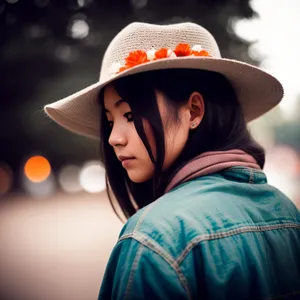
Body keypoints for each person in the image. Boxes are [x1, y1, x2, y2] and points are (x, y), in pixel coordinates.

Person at [44, 22, 300, 300]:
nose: (113, 138)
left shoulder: (154, 236)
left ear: (194, 110)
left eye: (129, 115)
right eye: (109, 121)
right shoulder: (286, 211)